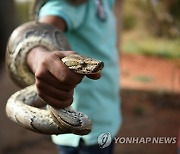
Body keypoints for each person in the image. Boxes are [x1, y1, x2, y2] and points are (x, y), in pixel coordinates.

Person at [27, 0, 122, 153]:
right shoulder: (66, 4)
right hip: (79, 130)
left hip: (106, 119)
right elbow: (37, 38)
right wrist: (38, 58)